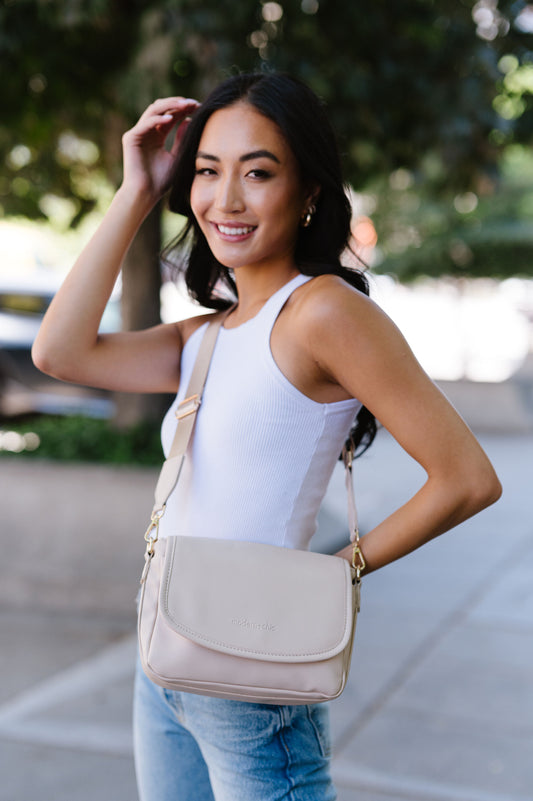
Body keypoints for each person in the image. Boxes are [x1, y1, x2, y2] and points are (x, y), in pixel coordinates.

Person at [33, 72, 502, 801]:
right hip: (165, 656)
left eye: (258, 172)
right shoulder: (211, 332)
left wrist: (336, 571)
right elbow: (60, 353)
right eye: (206, 172)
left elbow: (466, 477)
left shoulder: (322, 314)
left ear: (308, 190)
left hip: (254, 672)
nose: (227, 199)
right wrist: (135, 192)